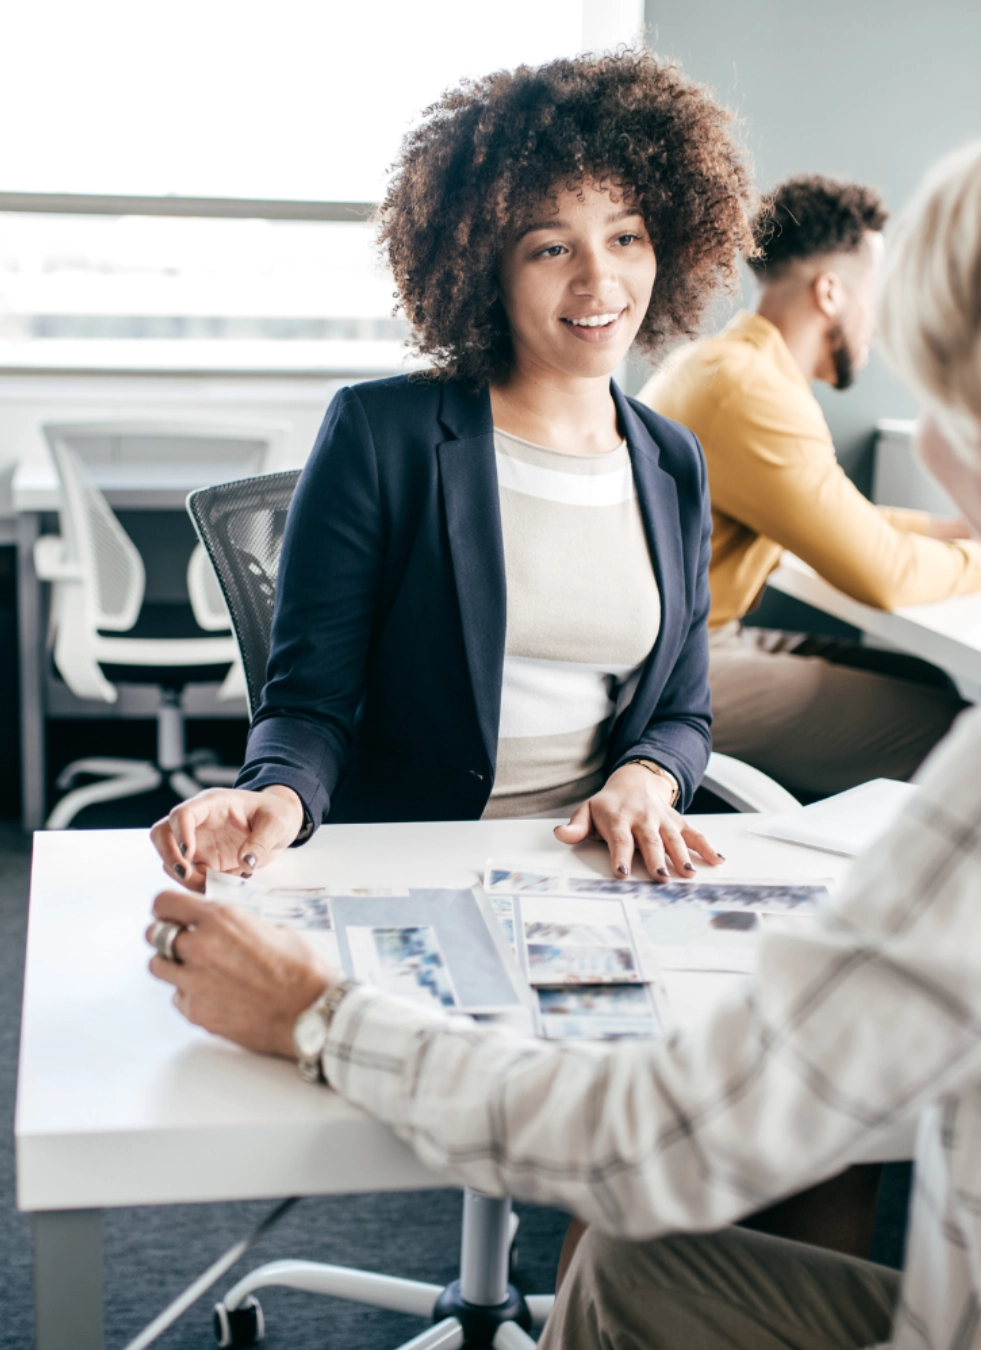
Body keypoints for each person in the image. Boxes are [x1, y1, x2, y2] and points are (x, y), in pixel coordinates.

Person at [143, 112, 981, 1349]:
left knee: (675, 1227)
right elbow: (312, 700)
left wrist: (315, 1015)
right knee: (704, 1229)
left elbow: (665, 1132)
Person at [148, 50, 757, 889]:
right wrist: (279, 795)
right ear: (486, 268)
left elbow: (682, 712)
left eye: (626, 237)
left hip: (592, 870)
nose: (599, 278)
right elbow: (307, 706)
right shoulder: (380, 434)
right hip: (411, 863)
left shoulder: (671, 461)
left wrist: (645, 779)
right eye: (551, 248)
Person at [640, 175, 981, 802]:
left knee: (920, 677)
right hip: (667, 669)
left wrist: (960, 531)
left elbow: (841, 514)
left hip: (703, 637)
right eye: (877, 296)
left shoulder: (731, 365)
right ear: (830, 292)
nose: (881, 320)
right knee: (959, 733)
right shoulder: (749, 391)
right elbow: (884, 572)